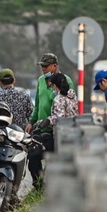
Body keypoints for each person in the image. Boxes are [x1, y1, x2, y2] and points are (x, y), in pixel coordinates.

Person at [25, 53, 75, 190]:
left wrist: (51, 120)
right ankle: (39, 186)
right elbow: (38, 104)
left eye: (46, 66)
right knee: (33, 156)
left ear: (55, 66)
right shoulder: (41, 80)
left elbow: (70, 105)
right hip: (41, 129)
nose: (43, 69)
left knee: (54, 160)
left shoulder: (66, 81)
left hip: (57, 131)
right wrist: (31, 121)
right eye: (42, 66)